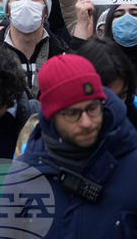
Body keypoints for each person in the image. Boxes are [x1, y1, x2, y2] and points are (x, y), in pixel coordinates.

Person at [11, 54, 137, 237]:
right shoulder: (23, 177)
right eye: (72, 113)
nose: (86, 122)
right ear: (51, 116)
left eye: (93, 108)